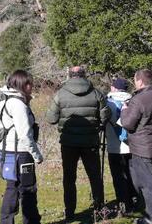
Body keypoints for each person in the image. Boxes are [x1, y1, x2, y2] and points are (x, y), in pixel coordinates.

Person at [46, 66, 110, 221]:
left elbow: (51, 119)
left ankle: (70, 212)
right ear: (84, 75)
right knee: (95, 176)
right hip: (90, 141)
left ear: (70, 75)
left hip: (68, 143)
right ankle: (99, 208)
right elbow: (105, 116)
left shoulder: (60, 94)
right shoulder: (96, 93)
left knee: (69, 178)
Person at [121, 69, 152, 224]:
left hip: (142, 148)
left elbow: (128, 124)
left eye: (135, 80)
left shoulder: (138, 100)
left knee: (148, 185)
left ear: (140, 81)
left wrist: (124, 111)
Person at [0, 70, 43, 224]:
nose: (32, 87)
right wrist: (37, 156)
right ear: (22, 84)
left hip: (6, 151)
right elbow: (25, 135)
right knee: (28, 189)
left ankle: (6, 221)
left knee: (12, 187)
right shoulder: (18, 104)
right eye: (29, 84)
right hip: (21, 153)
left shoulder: (5, 98)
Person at [104, 78, 137, 217]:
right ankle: (135, 199)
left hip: (114, 147)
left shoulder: (108, 103)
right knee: (132, 175)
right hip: (131, 145)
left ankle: (123, 203)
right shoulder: (133, 101)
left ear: (114, 88)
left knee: (118, 176)